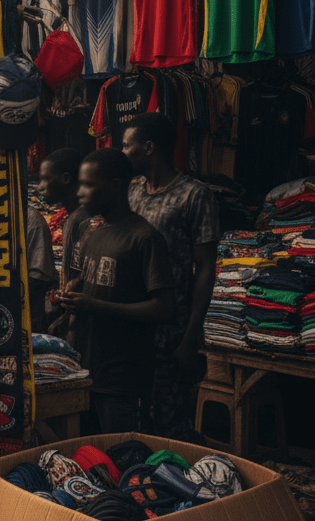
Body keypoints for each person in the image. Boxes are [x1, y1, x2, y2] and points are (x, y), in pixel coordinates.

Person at [57, 149, 174, 434]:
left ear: (116, 185)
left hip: (123, 377)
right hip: (86, 371)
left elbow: (164, 308)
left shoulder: (144, 238)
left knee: (123, 456)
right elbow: (99, 284)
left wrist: (95, 305)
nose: (80, 192)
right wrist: (75, 292)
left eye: (88, 184)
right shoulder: (93, 235)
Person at [122, 113, 220, 440]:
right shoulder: (131, 190)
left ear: (149, 147)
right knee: (135, 422)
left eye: (127, 145)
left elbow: (205, 267)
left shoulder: (194, 195)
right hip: (135, 324)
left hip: (174, 328)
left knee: (170, 423)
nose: (122, 153)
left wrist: (192, 336)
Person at [38, 148, 92, 285]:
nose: (40, 187)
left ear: (66, 178)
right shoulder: (73, 217)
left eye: (45, 179)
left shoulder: (80, 220)